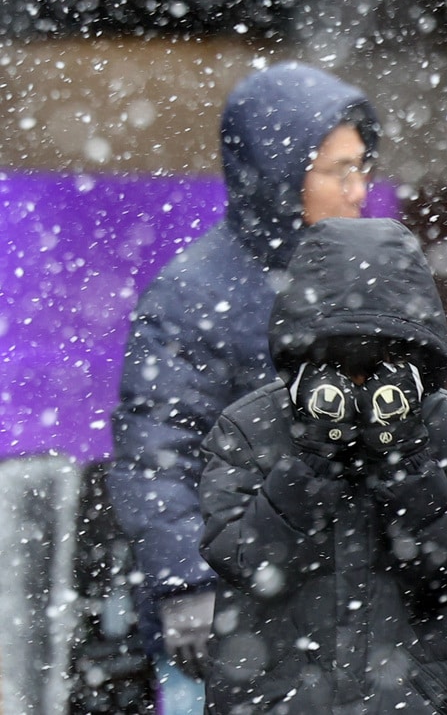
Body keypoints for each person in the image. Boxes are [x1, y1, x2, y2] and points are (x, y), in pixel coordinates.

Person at [108, 62, 380, 714]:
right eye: (337, 170)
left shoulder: (365, 280)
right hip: (232, 624)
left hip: (348, 622)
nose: (358, 190)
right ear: (281, 176)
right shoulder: (194, 296)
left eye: (362, 166)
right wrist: (185, 583)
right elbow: (156, 451)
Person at [198, 216, 447, 714]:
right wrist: (312, 456)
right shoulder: (250, 429)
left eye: (382, 361)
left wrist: (404, 457)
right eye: (339, 362)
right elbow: (244, 561)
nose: (360, 385)